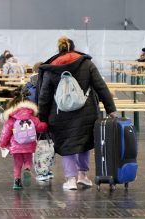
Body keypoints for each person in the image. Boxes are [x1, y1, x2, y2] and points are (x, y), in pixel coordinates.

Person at [38, 36, 117, 190]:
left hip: (59, 115)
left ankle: (71, 180)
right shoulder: (86, 64)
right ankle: (83, 176)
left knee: (68, 145)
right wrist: (111, 109)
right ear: (73, 48)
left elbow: (44, 96)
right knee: (84, 143)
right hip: (86, 112)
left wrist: (42, 118)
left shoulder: (51, 68)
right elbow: (101, 87)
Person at [0, 88, 48, 190]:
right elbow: (40, 127)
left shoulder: (12, 119)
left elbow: (5, 133)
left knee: (17, 163)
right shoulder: (32, 117)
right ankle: (27, 169)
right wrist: (46, 125)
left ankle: (17, 181)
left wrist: (2, 144)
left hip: (16, 146)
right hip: (29, 144)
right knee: (28, 160)